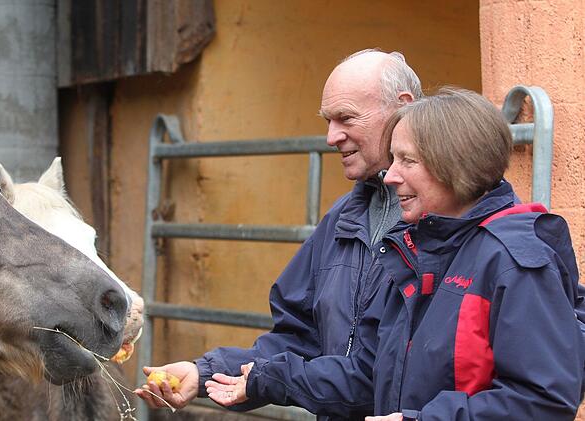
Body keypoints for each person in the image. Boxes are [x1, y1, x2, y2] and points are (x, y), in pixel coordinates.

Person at [203, 88, 584, 420]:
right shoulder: (413, 249)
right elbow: (370, 374)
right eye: (393, 159)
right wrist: (265, 379)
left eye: (408, 160)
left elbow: (543, 400)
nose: (389, 176)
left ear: (456, 165)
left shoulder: (513, 260)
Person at [135, 48, 422, 420]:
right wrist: (205, 372)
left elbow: (383, 376)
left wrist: (265, 380)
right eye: (328, 120)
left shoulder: (441, 225)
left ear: (403, 107)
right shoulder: (342, 220)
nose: (331, 137)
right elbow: (299, 336)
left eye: (346, 117)